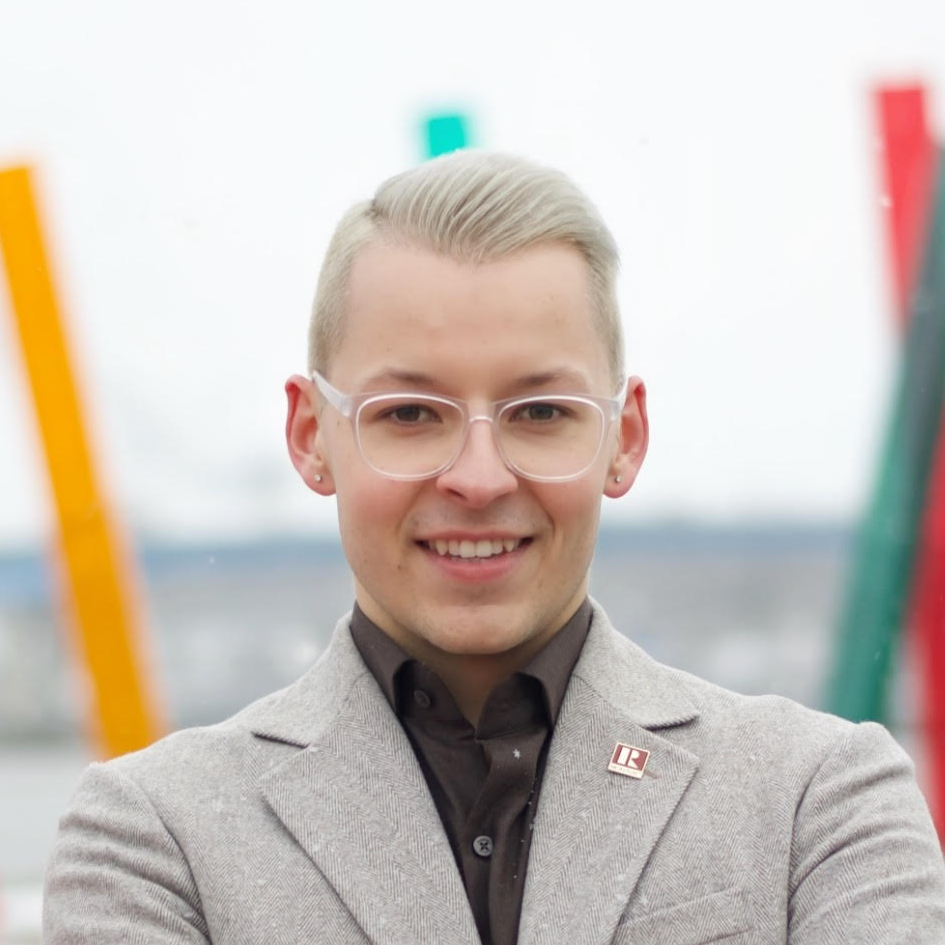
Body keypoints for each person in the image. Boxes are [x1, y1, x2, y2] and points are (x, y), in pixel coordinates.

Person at [44, 150, 945, 944]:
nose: (477, 477)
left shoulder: (817, 802)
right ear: (311, 435)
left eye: (541, 412)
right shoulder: (152, 839)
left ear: (623, 436)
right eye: (408, 414)